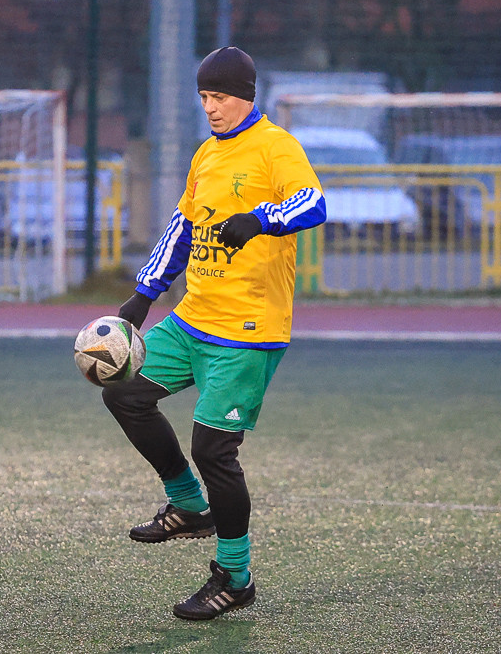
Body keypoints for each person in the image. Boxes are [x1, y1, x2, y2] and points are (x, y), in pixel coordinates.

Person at [102, 46, 326, 620]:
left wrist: (260, 218)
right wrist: (141, 299)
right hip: (193, 320)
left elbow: (313, 203)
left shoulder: (276, 147)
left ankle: (236, 575)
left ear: (247, 95)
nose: (211, 108)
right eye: (204, 97)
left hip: (248, 331)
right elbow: (181, 228)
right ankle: (188, 507)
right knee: (124, 393)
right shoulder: (205, 154)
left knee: (213, 449)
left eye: (220, 97)